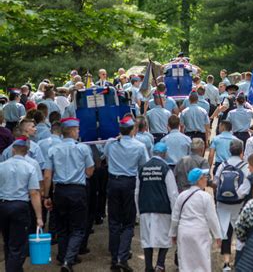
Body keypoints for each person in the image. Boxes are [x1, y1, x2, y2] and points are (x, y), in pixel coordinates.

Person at [42, 118, 94, 271]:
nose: (78, 132)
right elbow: (90, 171)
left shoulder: (53, 149)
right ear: (72, 131)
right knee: (78, 228)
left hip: (59, 191)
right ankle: (68, 260)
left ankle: (63, 256)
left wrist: (47, 196)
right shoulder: (83, 148)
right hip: (77, 191)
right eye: (77, 129)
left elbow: (47, 175)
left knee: (62, 227)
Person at [104, 116, 149, 271]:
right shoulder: (139, 146)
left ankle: (114, 257)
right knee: (128, 222)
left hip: (113, 182)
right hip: (129, 183)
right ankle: (122, 257)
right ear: (132, 130)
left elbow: (105, 157)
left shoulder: (111, 143)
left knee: (114, 221)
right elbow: (143, 165)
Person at [0, 138, 43, 272]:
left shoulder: (1, 166)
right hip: (20, 207)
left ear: (13, 149)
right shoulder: (30, 167)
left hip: (3, 206)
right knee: (17, 245)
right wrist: (39, 217)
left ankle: (12, 268)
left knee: (7, 242)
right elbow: (34, 193)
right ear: (27, 151)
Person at [135, 142, 179, 272]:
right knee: (165, 237)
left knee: (146, 238)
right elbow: (173, 193)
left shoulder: (142, 168)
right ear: (165, 154)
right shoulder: (165, 168)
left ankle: (148, 266)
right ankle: (160, 264)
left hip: (145, 207)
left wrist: (138, 210)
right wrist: (175, 213)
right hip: (162, 208)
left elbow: (137, 191)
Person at [169, 168, 221, 272]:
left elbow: (175, 217)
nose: (207, 179)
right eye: (205, 177)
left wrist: (173, 233)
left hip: (184, 231)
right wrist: (218, 235)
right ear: (199, 180)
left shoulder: (182, 195)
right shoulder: (206, 197)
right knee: (202, 261)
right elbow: (212, 218)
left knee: (185, 261)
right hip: (200, 231)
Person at [214, 139, 251, 271]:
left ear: (229, 151)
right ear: (242, 151)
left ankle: (226, 263)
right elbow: (247, 187)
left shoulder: (222, 165)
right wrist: (238, 196)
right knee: (240, 232)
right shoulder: (245, 166)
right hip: (238, 204)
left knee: (226, 232)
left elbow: (216, 181)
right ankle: (240, 260)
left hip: (222, 203)